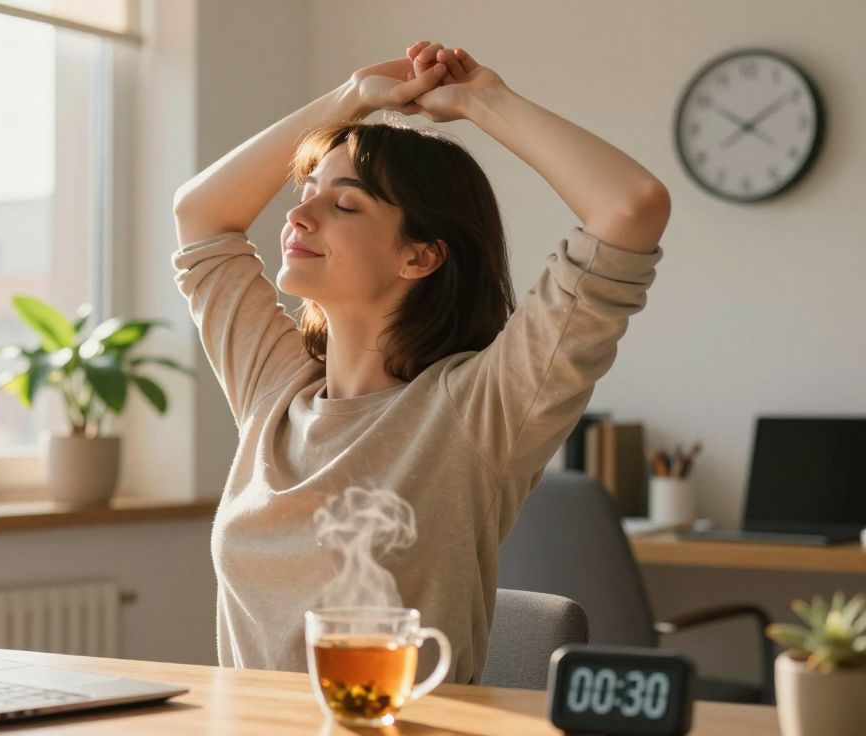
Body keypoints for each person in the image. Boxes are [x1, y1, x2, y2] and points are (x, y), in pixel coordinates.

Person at [170, 41, 669, 684]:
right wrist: (351, 101)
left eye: (343, 204)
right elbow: (200, 214)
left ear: (421, 256)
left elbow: (631, 207)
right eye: (307, 190)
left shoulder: (481, 408)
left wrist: (484, 101)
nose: (297, 214)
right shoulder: (274, 389)